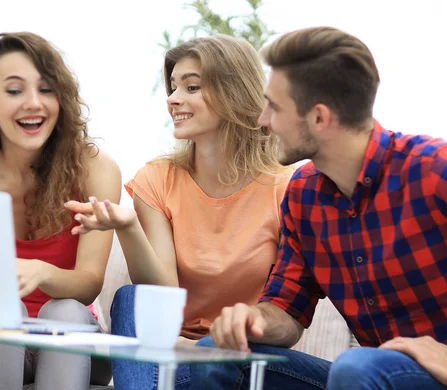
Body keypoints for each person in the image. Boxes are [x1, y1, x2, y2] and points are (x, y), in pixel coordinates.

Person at [190, 26, 447, 390]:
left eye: (274, 107)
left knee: (357, 367)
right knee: (217, 353)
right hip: (373, 377)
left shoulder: (441, 169)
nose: (262, 120)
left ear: (320, 118)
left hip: (446, 376)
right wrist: (252, 318)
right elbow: (286, 313)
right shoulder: (303, 196)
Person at [65, 35, 293, 389]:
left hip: (232, 360)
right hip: (163, 357)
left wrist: (201, 348)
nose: (173, 99)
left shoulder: (286, 188)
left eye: (192, 87)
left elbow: (283, 314)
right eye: (173, 87)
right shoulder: (157, 180)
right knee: (131, 298)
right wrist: (128, 228)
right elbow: (163, 297)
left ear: (235, 91)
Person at [0, 32, 120, 390]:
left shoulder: (96, 169)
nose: (33, 103)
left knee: (65, 310)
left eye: (47, 89)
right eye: (15, 90)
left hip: (70, 337)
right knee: (6, 312)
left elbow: (88, 284)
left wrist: (41, 273)